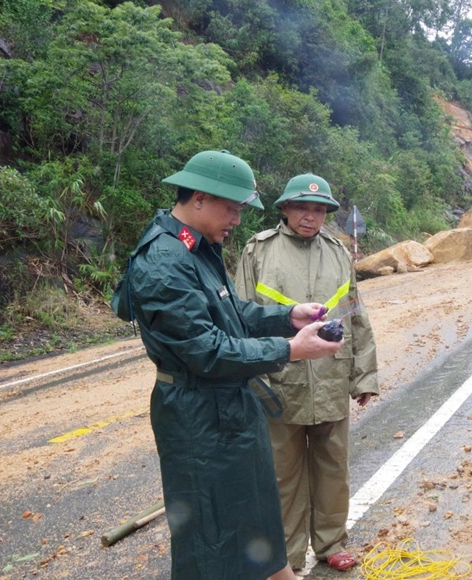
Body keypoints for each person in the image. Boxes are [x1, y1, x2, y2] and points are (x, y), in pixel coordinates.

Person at [111, 150, 341, 580]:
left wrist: (286, 316)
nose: (237, 219)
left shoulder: (199, 247)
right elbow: (207, 350)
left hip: (230, 408)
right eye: (232, 208)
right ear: (199, 199)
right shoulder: (164, 262)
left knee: (257, 522)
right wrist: (289, 349)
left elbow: (231, 314)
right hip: (197, 419)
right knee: (212, 541)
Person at [235, 173, 378, 572]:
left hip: (331, 377)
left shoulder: (336, 252)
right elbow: (240, 315)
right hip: (279, 379)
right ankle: (288, 554)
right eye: (302, 207)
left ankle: (331, 542)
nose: (310, 216)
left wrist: (363, 375)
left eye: (318, 209)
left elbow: (355, 315)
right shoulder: (258, 251)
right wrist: (247, 371)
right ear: (284, 208)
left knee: (334, 467)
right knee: (282, 474)